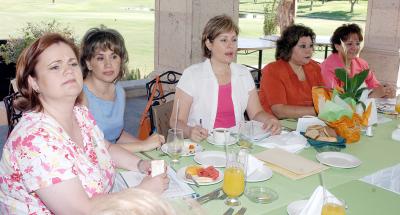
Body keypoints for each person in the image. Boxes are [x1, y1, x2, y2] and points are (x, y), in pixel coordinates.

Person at [0, 33, 169, 214]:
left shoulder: (79, 113)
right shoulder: (34, 141)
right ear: (33, 82)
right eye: (55, 66)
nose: (68, 70)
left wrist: (140, 165)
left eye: (72, 63)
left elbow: (107, 148)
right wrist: (142, 193)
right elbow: (80, 211)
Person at [170, 15, 281, 142]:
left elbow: (256, 113)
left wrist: (270, 120)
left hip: (237, 143)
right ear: (208, 44)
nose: (230, 46)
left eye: (234, 40)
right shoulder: (192, 75)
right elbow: (175, 121)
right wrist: (190, 131)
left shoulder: (243, 73)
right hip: (201, 145)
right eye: (224, 40)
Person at [80, 27, 164, 152]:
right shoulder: (80, 96)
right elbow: (93, 148)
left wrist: (147, 144)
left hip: (115, 160)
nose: (108, 64)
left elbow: (115, 135)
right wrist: (142, 146)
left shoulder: (119, 91)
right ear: (88, 63)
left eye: (114, 56)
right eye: (100, 58)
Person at [259, 24, 324, 119]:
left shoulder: (315, 67)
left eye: (311, 46)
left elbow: (322, 99)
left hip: (309, 123)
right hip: (276, 126)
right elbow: (279, 111)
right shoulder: (273, 71)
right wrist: (320, 111)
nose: (309, 51)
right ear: (288, 48)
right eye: (303, 46)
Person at [321, 23, 395, 98]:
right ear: (337, 46)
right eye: (349, 44)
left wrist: (385, 91)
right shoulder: (328, 68)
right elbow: (336, 99)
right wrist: (371, 96)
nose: (355, 47)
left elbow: (375, 86)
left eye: (357, 43)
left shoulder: (362, 64)